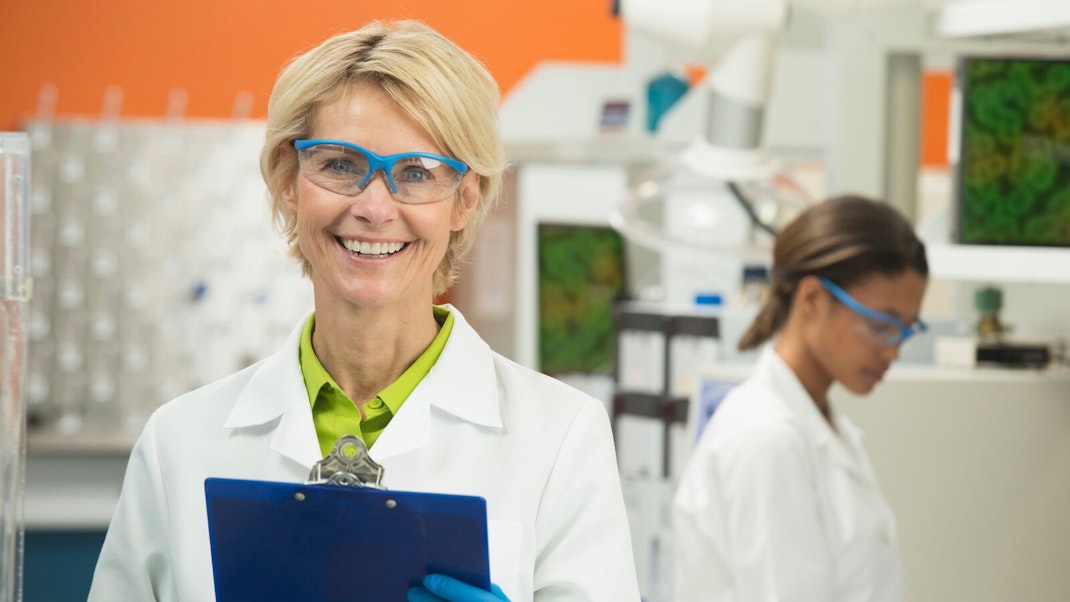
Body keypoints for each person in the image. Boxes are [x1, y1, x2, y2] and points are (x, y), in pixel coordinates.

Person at [88, 20, 640, 602]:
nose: (375, 208)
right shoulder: (180, 442)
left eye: (417, 173)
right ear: (288, 180)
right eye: (341, 165)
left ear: (466, 199)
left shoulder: (559, 439)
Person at [673, 195, 928, 602]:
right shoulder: (765, 438)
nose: (893, 350)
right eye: (882, 325)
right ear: (812, 299)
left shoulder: (819, 425)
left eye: (907, 329)